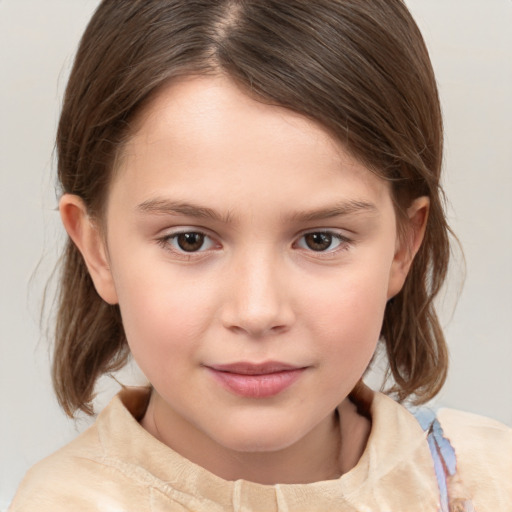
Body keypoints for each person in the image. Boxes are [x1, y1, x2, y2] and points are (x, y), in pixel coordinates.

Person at [9, 1, 511, 510]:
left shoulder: (487, 482)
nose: (257, 311)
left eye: (320, 240)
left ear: (404, 244)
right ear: (97, 249)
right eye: (190, 240)